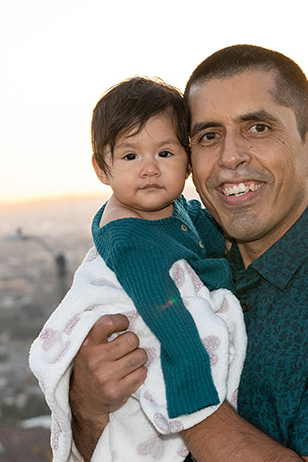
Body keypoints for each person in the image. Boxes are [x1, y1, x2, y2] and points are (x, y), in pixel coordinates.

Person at [69, 45, 308, 461]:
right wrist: (88, 407)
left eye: (258, 128)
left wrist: (180, 385)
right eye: (208, 136)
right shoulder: (179, 260)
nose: (231, 157)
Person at [29, 77, 246, 461]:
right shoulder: (129, 238)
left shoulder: (166, 204)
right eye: (130, 156)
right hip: (160, 339)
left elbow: (191, 230)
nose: (149, 169)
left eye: (164, 153)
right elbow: (164, 314)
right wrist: (190, 389)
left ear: (188, 159)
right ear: (102, 168)